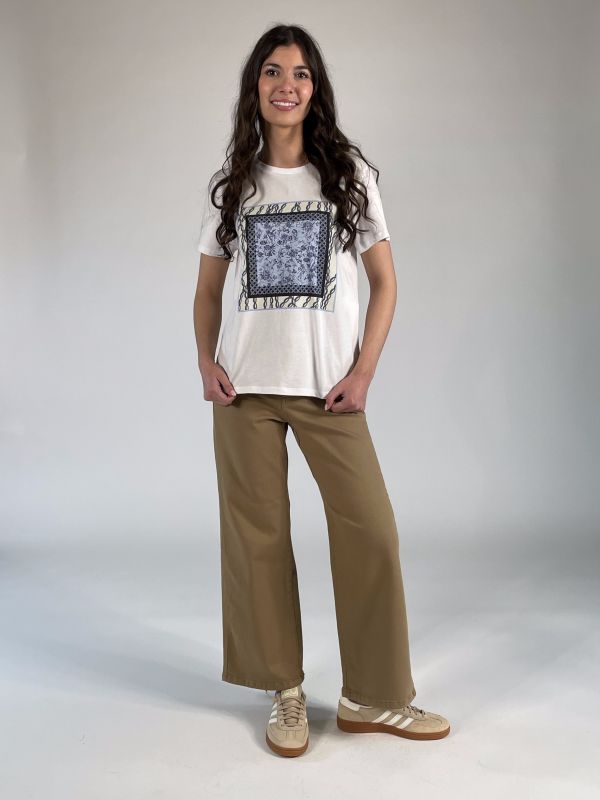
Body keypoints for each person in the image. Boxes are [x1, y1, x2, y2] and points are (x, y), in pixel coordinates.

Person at [193, 23, 450, 757]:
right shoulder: (234, 182)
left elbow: (385, 282)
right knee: (258, 541)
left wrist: (363, 371)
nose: (287, 85)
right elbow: (207, 291)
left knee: (371, 529)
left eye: (301, 73)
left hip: (328, 389)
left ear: (315, 89)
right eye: (273, 72)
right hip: (244, 391)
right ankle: (284, 690)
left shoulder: (348, 176)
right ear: (255, 87)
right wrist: (206, 360)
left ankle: (374, 696)